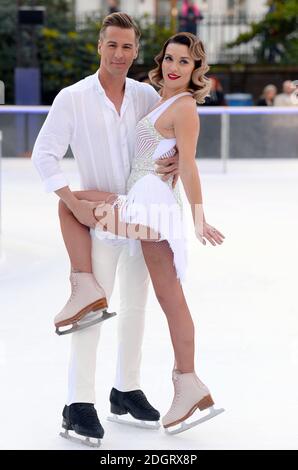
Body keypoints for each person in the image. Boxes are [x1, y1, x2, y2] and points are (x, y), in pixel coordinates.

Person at [49, 29, 226, 434]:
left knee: (171, 298)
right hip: (139, 202)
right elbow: (169, 153)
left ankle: (187, 380)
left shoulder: (183, 107)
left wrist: (198, 218)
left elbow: (190, 165)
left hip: (151, 210)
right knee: (71, 202)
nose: (174, 66)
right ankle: (185, 382)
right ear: (160, 61)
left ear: (196, 68)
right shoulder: (158, 98)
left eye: (185, 61)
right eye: (169, 58)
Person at [32, 12, 180, 445]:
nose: (119, 54)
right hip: (99, 221)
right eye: (112, 45)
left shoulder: (145, 96)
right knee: (91, 312)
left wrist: (170, 163)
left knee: (136, 308)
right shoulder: (72, 98)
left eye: (128, 47)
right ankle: (78, 404)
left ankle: (125, 390)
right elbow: (45, 155)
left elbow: (166, 138)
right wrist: (73, 204)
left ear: (136, 52)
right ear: (100, 46)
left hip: (142, 220)